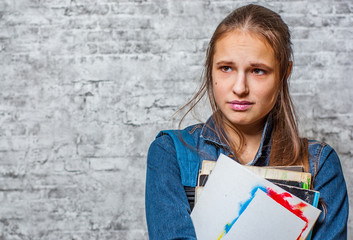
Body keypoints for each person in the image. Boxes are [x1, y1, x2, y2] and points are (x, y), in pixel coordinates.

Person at [145, 4, 348, 240]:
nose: (240, 88)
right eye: (226, 68)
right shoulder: (169, 153)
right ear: (210, 70)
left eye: (258, 71)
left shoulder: (321, 164)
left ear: (284, 74)